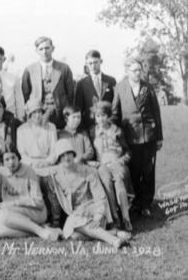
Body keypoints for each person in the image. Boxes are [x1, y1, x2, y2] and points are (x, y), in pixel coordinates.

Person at [47, 140, 131, 248]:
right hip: (76, 216)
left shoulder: (87, 171)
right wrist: (55, 222)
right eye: (62, 155)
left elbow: (100, 197)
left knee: (73, 222)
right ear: (58, 159)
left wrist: (98, 215)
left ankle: (113, 240)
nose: (66, 157)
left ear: (74, 154)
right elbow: (54, 201)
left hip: (94, 211)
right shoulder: (55, 175)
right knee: (73, 235)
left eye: (68, 153)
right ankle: (114, 233)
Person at [112, 56, 163, 217]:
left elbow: (156, 113)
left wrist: (159, 137)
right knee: (133, 170)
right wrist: (114, 135)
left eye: (140, 70)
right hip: (129, 137)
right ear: (127, 71)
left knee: (148, 170)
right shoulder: (120, 87)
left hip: (148, 135)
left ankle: (146, 203)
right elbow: (115, 112)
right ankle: (135, 202)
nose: (138, 73)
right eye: (135, 70)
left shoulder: (148, 87)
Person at [0, 143, 61, 240]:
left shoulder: (29, 171)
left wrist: (12, 203)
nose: (11, 162)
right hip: (13, 215)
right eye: (7, 159)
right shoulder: (1, 173)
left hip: (35, 212)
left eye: (13, 157)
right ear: (2, 161)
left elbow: (38, 202)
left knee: (2, 215)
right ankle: (41, 230)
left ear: (18, 157)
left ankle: (40, 231)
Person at [89, 101, 133, 232]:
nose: (100, 119)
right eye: (97, 116)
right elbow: (90, 152)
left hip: (117, 162)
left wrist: (122, 160)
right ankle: (115, 218)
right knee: (107, 181)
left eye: (103, 115)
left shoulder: (117, 130)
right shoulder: (92, 131)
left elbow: (128, 151)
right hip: (101, 164)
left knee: (118, 180)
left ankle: (126, 218)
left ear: (108, 116)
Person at [17, 98, 59, 225]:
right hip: (30, 164)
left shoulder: (51, 127)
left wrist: (47, 162)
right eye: (34, 112)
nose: (37, 115)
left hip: (47, 163)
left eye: (39, 112)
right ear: (29, 114)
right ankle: (36, 215)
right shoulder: (22, 129)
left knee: (48, 179)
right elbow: (22, 153)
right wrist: (32, 163)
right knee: (36, 179)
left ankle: (55, 216)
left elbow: (55, 151)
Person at [22, 36, 74, 129]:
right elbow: (25, 95)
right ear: (36, 51)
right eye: (41, 49)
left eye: (47, 48)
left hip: (59, 115)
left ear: (52, 48)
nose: (44, 52)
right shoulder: (29, 70)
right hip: (37, 115)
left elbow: (70, 94)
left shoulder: (64, 68)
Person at [74, 50, 117, 130]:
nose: (93, 66)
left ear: (101, 61)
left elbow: (115, 104)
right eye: (90, 63)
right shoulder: (81, 84)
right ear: (86, 64)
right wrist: (82, 127)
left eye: (95, 62)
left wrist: (112, 121)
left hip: (108, 124)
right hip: (90, 125)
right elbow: (78, 107)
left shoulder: (111, 81)